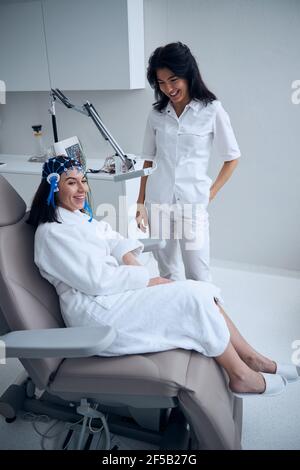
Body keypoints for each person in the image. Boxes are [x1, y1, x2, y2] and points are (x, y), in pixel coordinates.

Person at [27, 156, 300, 398]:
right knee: (192, 296)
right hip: (96, 314)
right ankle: (241, 375)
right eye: (72, 183)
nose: (82, 189)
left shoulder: (76, 218)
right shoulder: (53, 233)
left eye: (83, 181)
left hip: (112, 296)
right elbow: (95, 281)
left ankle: (254, 358)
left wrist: (130, 260)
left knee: (202, 291)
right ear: (53, 187)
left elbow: (111, 238)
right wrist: (146, 280)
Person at [136, 42, 240, 282]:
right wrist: (140, 202)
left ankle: (205, 316)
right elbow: (148, 161)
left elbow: (232, 158)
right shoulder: (156, 114)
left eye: (173, 80)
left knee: (199, 275)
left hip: (192, 205)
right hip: (158, 204)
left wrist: (210, 193)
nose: (168, 88)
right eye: (161, 83)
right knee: (167, 272)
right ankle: (176, 319)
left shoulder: (212, 110)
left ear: (188, 74)